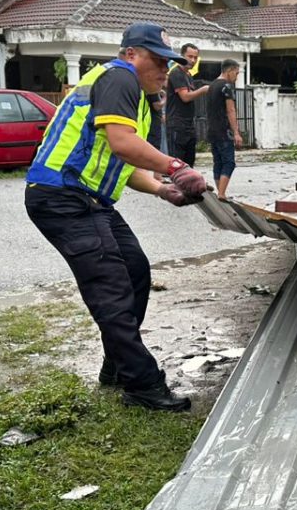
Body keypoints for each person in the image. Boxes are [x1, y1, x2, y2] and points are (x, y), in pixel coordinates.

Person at [23, 22, 208, 412]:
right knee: (112, 289)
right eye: (158, 61)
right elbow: (124, 144)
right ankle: (142, 385)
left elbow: (123, 160)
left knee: (135, 269)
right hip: (62, 197)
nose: (164, 70)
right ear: (131, 55)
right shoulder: (118, 77)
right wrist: (176, 167)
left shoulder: (136, 97)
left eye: (168, 63)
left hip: (90, 201)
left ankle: (118, 365)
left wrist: (161, 188)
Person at [165, 44, 210, 166]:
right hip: (177, 125)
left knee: (189, 164)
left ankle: (187, 185)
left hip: (189, 125)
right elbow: (185, 97)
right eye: (190, 56)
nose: (193, 60)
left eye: (195, 57)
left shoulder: (188, 75)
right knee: (177, 165)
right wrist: (203, 90)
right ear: (181, 56)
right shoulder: (176, 73)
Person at [206, 59, 243, 198]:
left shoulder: (212, 86)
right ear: (229, 71)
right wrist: (236, 133)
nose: (236, 77)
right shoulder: (226, 87)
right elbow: (231, 110)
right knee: (229, 162)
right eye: (236, 73)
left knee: (218, 162)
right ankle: (221, 193)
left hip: (212, 130)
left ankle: (221, 192)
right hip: (223, 131)